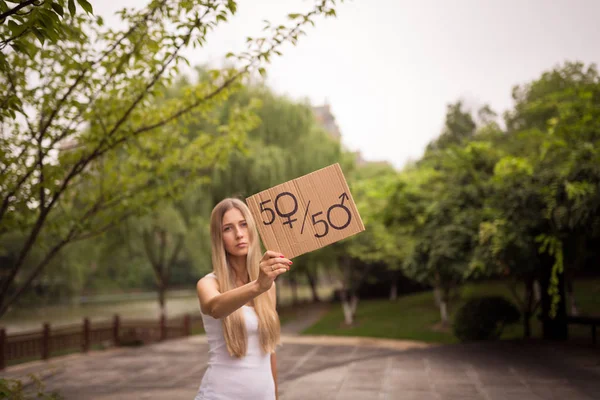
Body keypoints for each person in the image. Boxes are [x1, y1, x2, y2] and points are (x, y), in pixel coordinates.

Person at [194, 198, 292, 400]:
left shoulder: (268, 287)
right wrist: (257, 285)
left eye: (243, 224)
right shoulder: (208, 284)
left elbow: (269, 351)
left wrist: (275, 397)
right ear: (218, 237)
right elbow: (215, 308)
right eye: (228, 228)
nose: (239, 234)